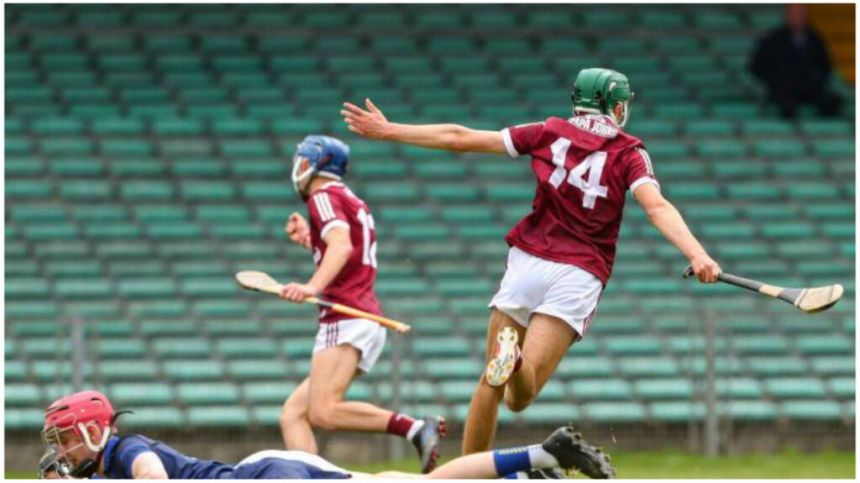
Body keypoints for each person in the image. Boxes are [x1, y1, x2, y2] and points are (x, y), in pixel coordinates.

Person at [342, 67, 722, 455]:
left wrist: (390, 130)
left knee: (490, 382)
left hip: (527, 262)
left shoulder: (548, 131)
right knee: (519, 397)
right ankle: (517, 360)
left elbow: (460, 137)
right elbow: (656, 207)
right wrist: (697, 253)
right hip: (579, 272)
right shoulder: (630, 152)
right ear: (617, 106)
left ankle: (466, 473)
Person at [278, 134, 444, 472]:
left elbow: (341, 247)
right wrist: (311, 241)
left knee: (323, 410)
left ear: (313, 164)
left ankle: (414, 428)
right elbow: (344, 249)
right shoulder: (349, 198)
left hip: (344, 316)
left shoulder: (321, 196)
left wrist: (311, 286)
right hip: (361, 314)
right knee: (294, 414)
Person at [40, 390, 615, 479]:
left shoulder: (127, 450)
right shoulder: (107, 458)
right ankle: (538, 454)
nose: (60, 451)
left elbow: (151, 475)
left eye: (66, 439)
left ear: (95, 431)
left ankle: (536, 457)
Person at [750, 4, 843, 119]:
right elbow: (757, 66)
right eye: (796, 14)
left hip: (809, 88)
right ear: (787, 15)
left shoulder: (815, 39)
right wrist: (776, 82)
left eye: (802, 14)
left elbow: (825, 66)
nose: (799, 17)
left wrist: (817, 81)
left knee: (831, 102)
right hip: (782, 89)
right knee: (786, 107)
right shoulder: (773, 39)